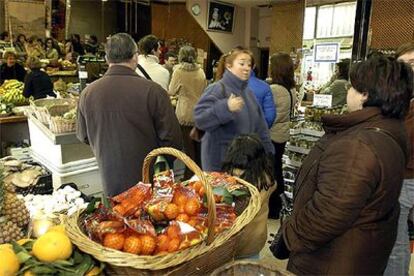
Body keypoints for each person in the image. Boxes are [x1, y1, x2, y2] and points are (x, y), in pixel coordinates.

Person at [274, 56, 413, 275]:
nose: (348, 91)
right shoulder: (388, 130)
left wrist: (289, 235)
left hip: (332, 259)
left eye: (352, 87)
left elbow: (326, 216)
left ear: (365, 95)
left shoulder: (357, 147)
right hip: (360, 253)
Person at [76, 33, 183, 196]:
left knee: (115, 218)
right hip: (149, 184)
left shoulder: (87, 93)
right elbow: (173, 141)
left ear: (106, 59)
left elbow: (83, 136)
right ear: (135, 57)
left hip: (110, 180)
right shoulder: (154, 92)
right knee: (148, 220)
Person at [194, 47, 274, 172]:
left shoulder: (249, 94)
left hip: (244, 165)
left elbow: (261, 127)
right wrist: (226, 107)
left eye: (249, 64)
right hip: (219, 166)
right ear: (229, 66)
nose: (246, 68)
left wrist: (269, 154)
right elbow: (200, 120)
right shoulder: (217, 89)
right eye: (241, 63)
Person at [384, 41, 414, 276]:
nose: (407, 69)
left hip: (407, 176)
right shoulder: (401, 96)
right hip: (397, 172)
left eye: (412, 63)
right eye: (402, 64)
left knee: (397, 240)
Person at [222, 134, 276, 259]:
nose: (236, 172)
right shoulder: (266, 179)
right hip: (256, 240)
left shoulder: (250, 187)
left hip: (243, 242)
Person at [168, 46, 207, 176]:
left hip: (184, 113)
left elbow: (171, 91)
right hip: (200, 112)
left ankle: (189, 176)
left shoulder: (178, 71)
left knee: (189, 150)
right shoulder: (201, 71)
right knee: (199, 149)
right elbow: (204, 90)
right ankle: (200, 176)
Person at [268, 53, 296, 219]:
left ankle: (272, 207)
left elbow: (270, 116)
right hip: (283, 134)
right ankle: (279, 205)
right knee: (277, 169)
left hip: (271, 135)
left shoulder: (274, 90)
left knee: (270, 173)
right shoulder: (291, 89)